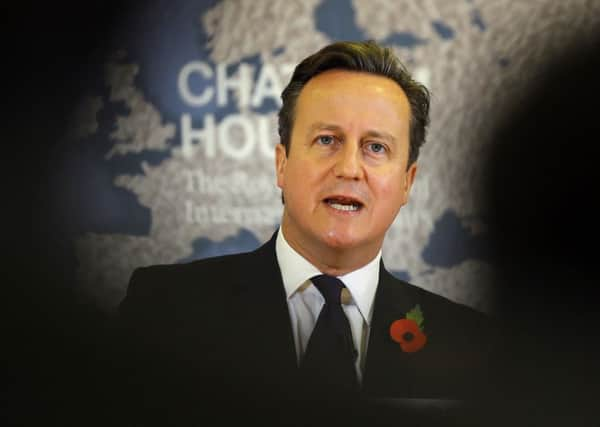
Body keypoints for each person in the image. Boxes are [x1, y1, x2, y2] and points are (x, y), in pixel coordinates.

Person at [116, 40, 497, 426]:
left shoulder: (469, 344)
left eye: (375, 147)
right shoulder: (166, 310)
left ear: (407, 183)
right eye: (327, 140)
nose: (349, 168)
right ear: (282, 165)